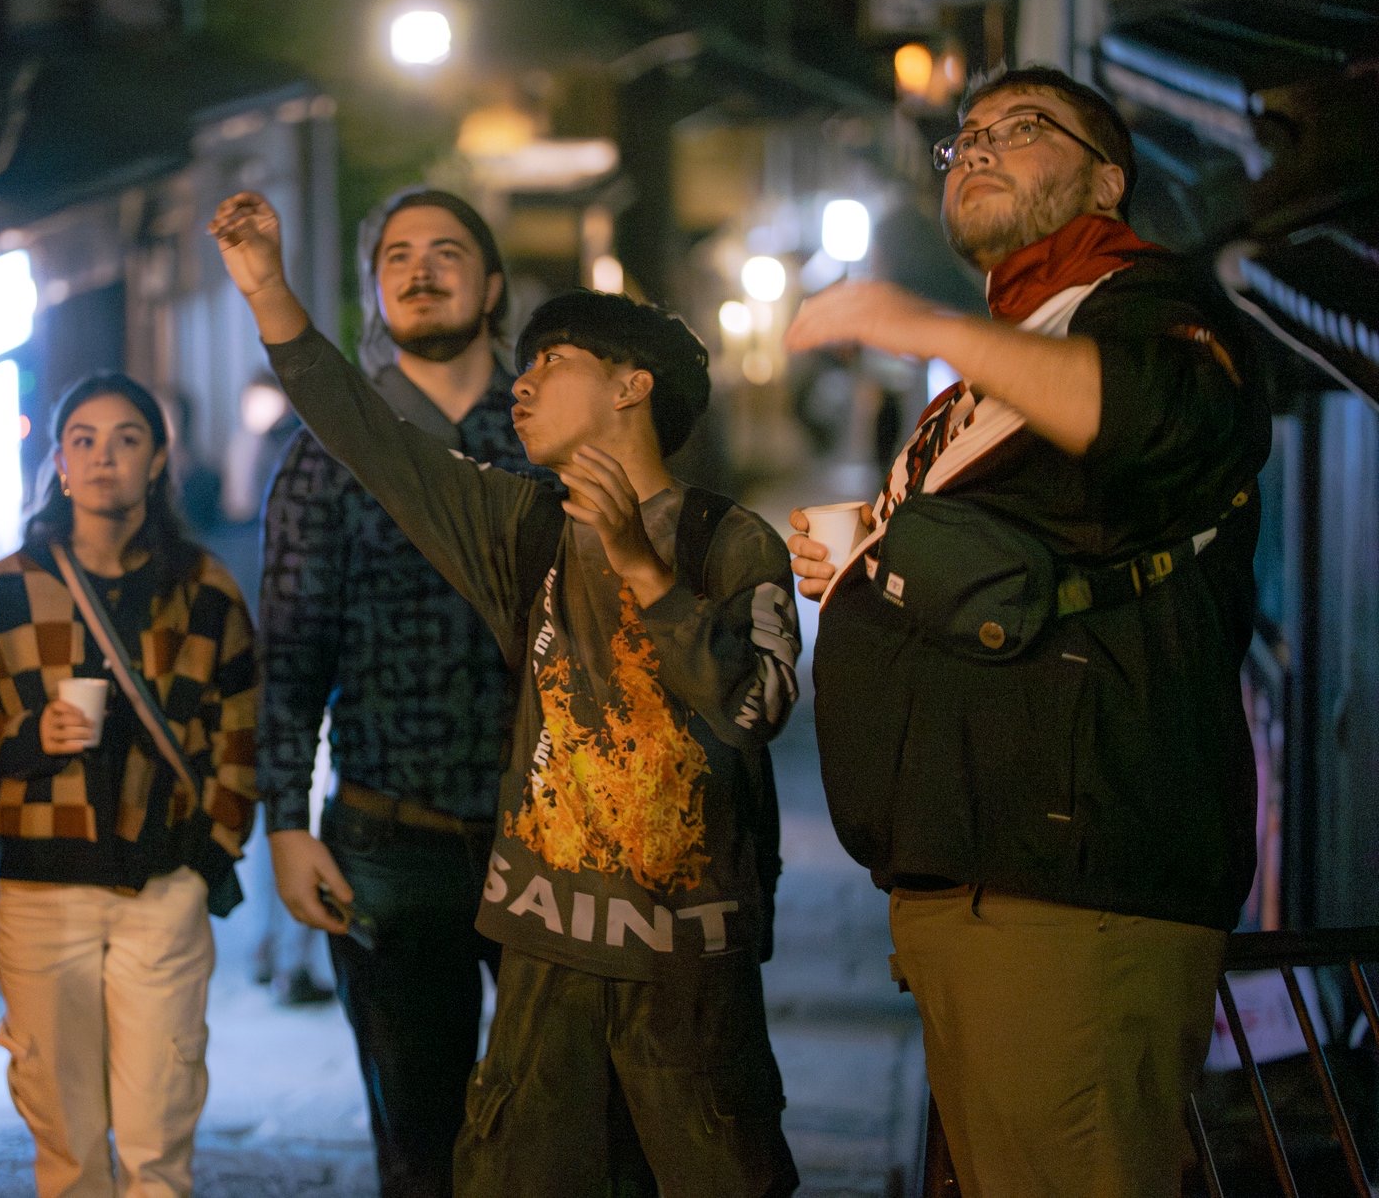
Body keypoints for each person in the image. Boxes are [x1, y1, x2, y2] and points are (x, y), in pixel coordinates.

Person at [211, 193, 802, 1197]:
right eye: (519, 369)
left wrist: (641, 573)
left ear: (628, 386)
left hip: (682, 954)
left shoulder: (725, 540)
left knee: (697, 1170)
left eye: (548, 367)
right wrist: (266, 289)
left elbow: (752, 711)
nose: (520, 390)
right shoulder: (518, 524)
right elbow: (366, 436)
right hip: (538, 934)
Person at [783, 64, 1271, 1198]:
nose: (980, 148)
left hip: (1076, 885)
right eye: (964, 138)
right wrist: (877, 541)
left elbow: (1148, 413)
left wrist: (910, 319)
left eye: (1023, 129)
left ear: (1106, 180)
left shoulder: (1156, 310)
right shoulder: (995, 366)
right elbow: (1032, 547)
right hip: (978, 875)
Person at [257, 187, 544, 1196]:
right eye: (397, 257)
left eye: (447, 251)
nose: (421, 270)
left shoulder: (551, 439)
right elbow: (289, 652)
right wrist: (286, 825)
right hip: (389, 836)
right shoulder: (328, 453)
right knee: (418, 1144)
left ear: (493, 283)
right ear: (374, 294)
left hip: (553, 839)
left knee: (564, 1135)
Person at [0, 373, 257, 1198]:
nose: (104, 455)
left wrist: (213, 848)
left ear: (157, 462)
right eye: (84, 439)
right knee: (68, 1149)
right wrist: (31, 737)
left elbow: (242, 733)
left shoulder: (205, 589)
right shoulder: (9, 587)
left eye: (127, 438)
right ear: (61, 466)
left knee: (158, 1143)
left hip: (162, 887)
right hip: (43, 895)